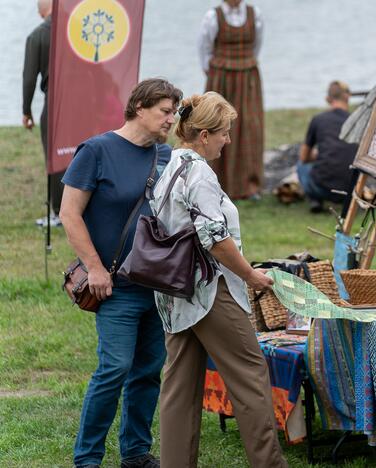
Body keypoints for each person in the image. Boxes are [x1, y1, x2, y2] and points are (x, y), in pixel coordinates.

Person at [154, 92, 289, 468]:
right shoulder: (198, 172)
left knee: (179, 389)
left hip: (174, 293)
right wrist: (251, 275)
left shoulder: (170, 167)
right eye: (224, 133)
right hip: (209, 291)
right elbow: (214, 239)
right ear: (202, 135)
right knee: (250, 376)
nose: (227, 140)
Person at [60, 79, 183, 468]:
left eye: (175, 112)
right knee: (114, 368)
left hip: (158, 286)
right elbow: (69, 214)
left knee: (148, 371)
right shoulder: (96, 151)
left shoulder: (166, 155)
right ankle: (87, 459)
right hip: (115, 287)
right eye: (165, 111)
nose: (171, 119)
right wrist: (95, 269)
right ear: (140, 108)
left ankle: (134, 453)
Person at [199, 0, 264, 200]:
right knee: (216, 123)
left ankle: (249, 185)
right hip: (222, 77)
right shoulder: (213, 16)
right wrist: (215, 72)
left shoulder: (255, 14)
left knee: (249, 126)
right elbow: (204, 49)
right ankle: (217, 181)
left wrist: (245, 63)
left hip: (247, 77)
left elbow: (257, 46)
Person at [23, 0, 62, 226]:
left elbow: (29, 79)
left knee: (55, 157)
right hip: (83, 105)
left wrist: (26, 111)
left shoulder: (37, 35)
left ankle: (58, 213)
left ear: (41, 11)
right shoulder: (75, 32)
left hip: (55, 103)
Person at [297, 80, 358, 212]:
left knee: (301, 165)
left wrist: (317, 156)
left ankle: (315, 199)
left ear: (328, 99)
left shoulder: (318, 119)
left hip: (322, 188)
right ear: (347, 97)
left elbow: (304, 157)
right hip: (350, 189)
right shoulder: (355, 121)